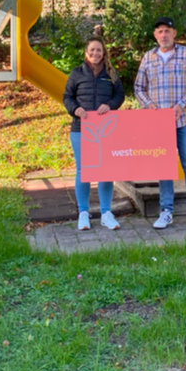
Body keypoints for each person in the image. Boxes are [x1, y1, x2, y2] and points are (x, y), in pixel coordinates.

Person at [134, 16, 186, 230]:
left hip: (183, 120)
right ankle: (166, 211)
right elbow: (139, 87)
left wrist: (182, 104)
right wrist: (148, 105)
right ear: (155, 36)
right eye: (159, 32)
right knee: (164, 168)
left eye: (167, 31)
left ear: (174, 33)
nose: (163, 35)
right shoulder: (148, 58)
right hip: (159, 124)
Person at [62, 35, 126, 231]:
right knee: (83, 171)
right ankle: (83, 213)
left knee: (105, 170)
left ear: (103, 52)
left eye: (99, 50)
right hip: (81, 130)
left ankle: (106, 212)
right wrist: (75, 109)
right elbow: (67, 97)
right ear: (86, 53)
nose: (95, 53)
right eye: (92, 50)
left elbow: (120, 95)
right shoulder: (76, 73)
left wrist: (110, 105)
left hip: (105, 131)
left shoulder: (111, 74)